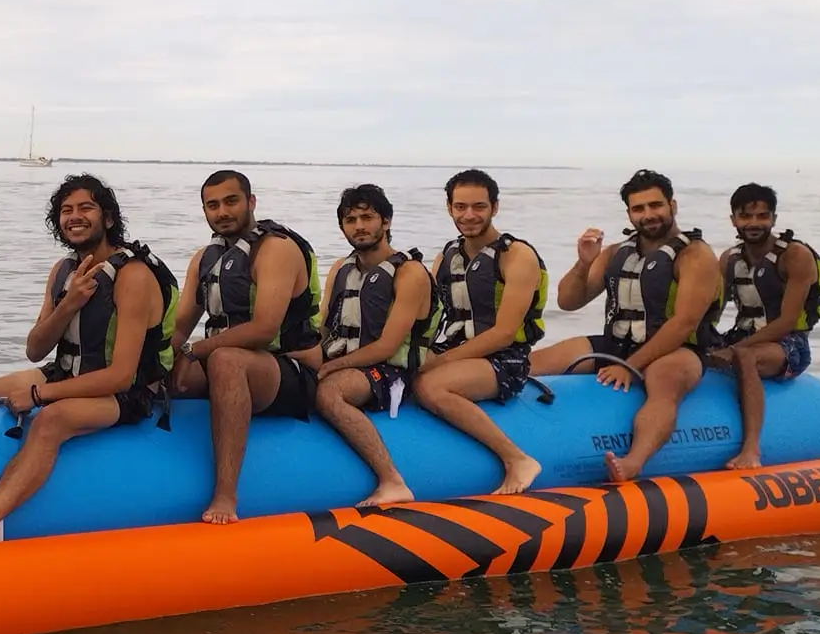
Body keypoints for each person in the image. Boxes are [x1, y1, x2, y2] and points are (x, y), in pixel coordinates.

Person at [0, 175, 178, 547]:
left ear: (108, 218)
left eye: (85, 208)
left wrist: (41, 395)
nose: (74, 217)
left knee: (51, 421)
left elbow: (122, 376)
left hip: (127, 395)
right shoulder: (63, 271)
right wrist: (69, 303)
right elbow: (35, 349)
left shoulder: (133, 276)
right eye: (66, 210)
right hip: (69, 374)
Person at [531, 168, 722, 482]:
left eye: (655, 205)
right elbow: (568, 301)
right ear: (630, 214)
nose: (648, 214)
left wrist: (629, 366)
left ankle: (633, 461)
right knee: (537, 362)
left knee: (664, 382)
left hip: (678, 348)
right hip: (617, 343)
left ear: (672, 206)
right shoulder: (616, 253)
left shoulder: (695, 255)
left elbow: (684, 322)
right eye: (639, 208)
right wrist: (584, 262)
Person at [168, 169, 321, 525]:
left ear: (251, 202)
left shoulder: (276, 250)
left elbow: (264, 330)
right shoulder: (205, 258)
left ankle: (226, 494)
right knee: (171, 363)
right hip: (235, 360)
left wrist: (196, 351)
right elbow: (178, 328)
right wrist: (161, 363)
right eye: (213, 205)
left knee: (225, 359)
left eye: (231, 201)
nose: (222, 211)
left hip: (291, 371)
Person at [408, 170, 549, 494]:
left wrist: (437, 363)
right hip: (455, 350)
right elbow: (427, 316)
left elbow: (503, 333)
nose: (469, 215)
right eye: (460, 207)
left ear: (494, 207)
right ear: (449, 208)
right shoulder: (447, 256)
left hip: (505, 360)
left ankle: (517, 459)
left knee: (430, 386)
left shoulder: (516, 256)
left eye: (478, 206)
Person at [314, 184, 436, 507]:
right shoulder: (341, 269)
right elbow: (324, 328)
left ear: (386, 221)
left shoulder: (409, 273)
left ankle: (392, 481)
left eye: (367, 217)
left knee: (329, 393)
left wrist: (332, 367)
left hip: (391, 372)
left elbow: (387, 346)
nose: (359, 226)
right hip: (346, 362)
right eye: (350, 219)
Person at [709, 183, 820, 470]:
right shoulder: (730, 259)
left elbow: (786, 322)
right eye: (746, 217)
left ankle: (751, 449)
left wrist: (735, 349)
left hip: (788, 344)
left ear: (774, 218)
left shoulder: (795, 256)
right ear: (733, 219)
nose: (754, 224)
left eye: (762, 216)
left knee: (744, 357)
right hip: (742, 336)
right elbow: (713, 312)